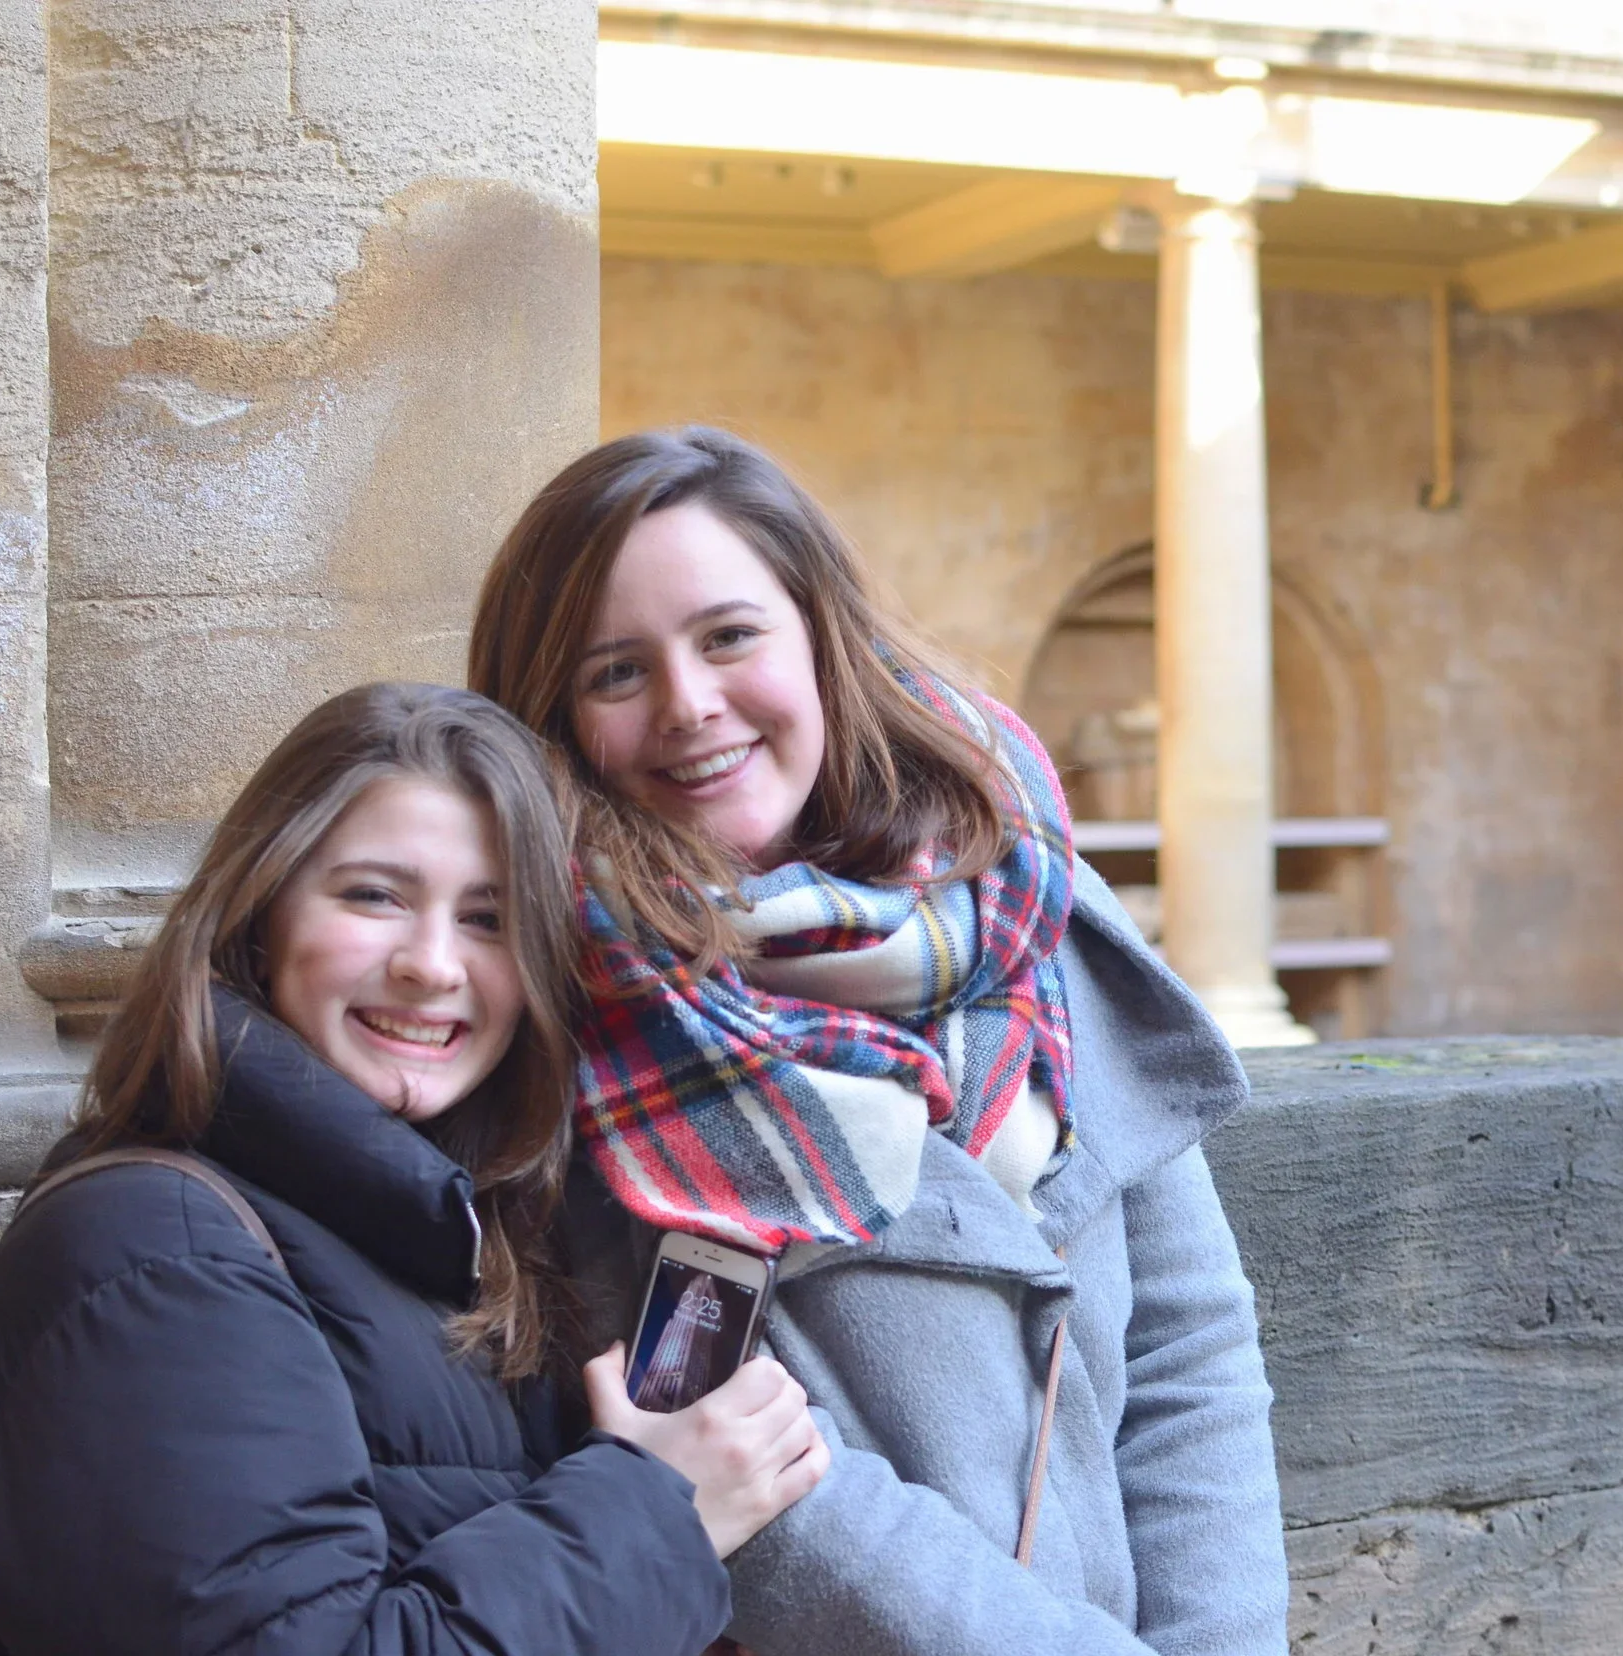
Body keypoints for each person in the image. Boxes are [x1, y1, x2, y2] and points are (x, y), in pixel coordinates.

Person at [470, 426, 1290, 1656]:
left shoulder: (1024, 905)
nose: (691, 704)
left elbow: (1188, 1342)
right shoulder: (590, 1009)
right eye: (617, 672)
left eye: (729, 635)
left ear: (818, 636)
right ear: (555, 720)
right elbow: (745, 1469)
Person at [0, 683, 826, 1655]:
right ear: (259, 915)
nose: (432, 964)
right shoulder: (155, 1258)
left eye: (488, 918)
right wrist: (658, 1507)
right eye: (374, 895)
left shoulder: (455, 1245)